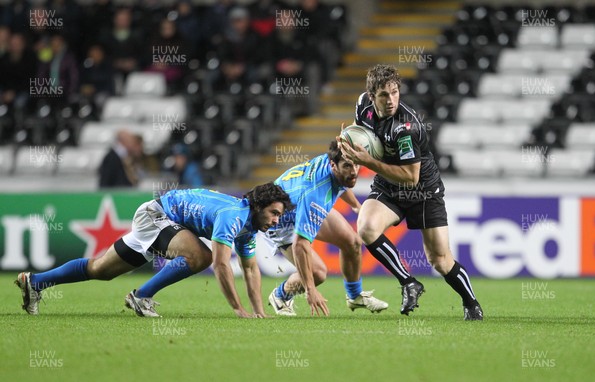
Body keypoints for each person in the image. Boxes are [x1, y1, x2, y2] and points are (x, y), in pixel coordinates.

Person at [15, 183, 292, 318]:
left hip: (167, 221)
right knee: (200, 256)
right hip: (156, 214)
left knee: (100, 270)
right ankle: (141, 297)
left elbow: (250, 268)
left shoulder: (250, 226)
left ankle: (36, 282)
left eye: (280, 215)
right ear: (258, 206)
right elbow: (220, 265)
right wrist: (238, 309)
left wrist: (258, 312)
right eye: (274, 213)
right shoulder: (233, 216)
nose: (277, 220)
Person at [340, 64, 483, 320]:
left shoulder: (405, 127)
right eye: (384, 94)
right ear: (371, 96)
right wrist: (349, 144)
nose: (391, 99)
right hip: (388, 183)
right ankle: (408, 283)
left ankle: (471, 303)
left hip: (422, 190)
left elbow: (410, 176)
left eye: (395, 92)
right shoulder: (362, 105)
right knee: (366, 228)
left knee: (439, 259)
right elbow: (359, 133)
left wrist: (368, 162)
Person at [265, 141, 388, 317]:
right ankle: (280, 295)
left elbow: (344, 181)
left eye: (356, 165)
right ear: (333, 165)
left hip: (298, 203)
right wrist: (310, 290)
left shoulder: (337, 158)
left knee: (352, 242)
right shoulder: (315, 195)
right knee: (317, 273)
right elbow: (300, 245)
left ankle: (355, 296)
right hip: (281, 221)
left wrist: (356, 206)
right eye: (347, 166)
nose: (354, 171)